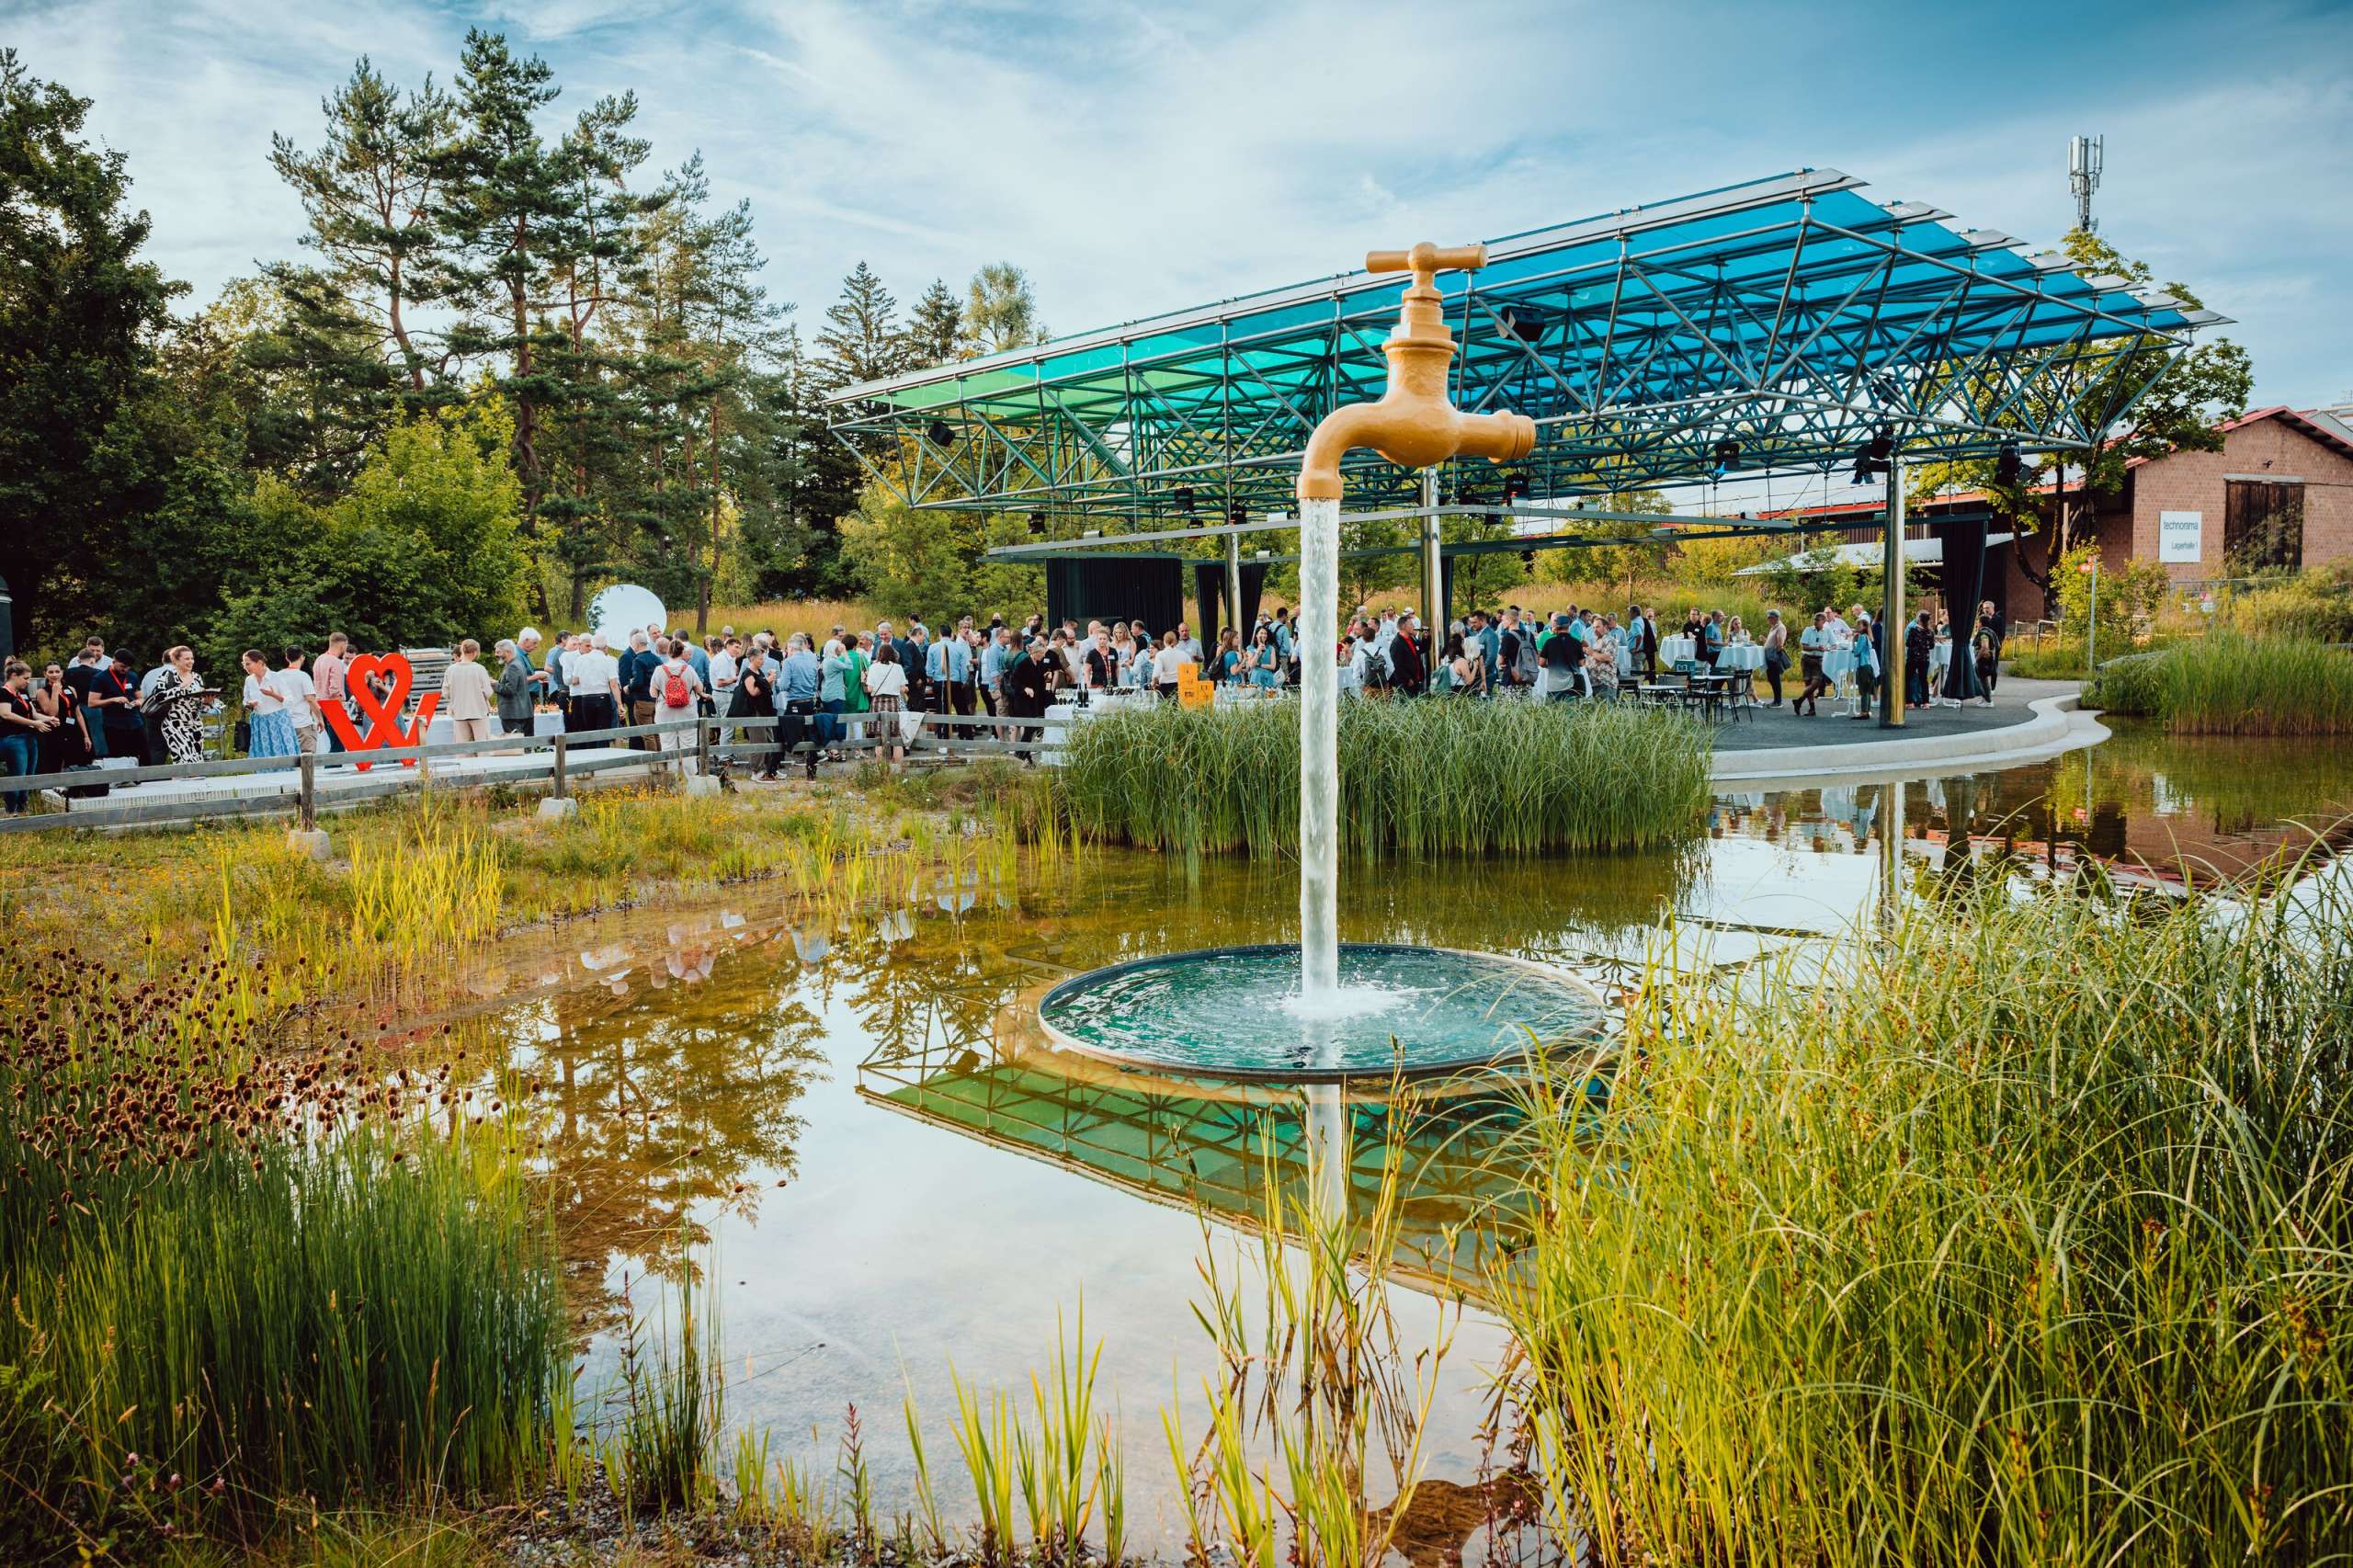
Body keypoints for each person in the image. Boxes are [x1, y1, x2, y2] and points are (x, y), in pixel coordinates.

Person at [2, 660, 58, 812]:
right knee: (18, 776)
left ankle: (23, 809)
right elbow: (6, 714)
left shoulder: (23, 693)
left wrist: (48, 719)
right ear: (14, 676)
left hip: (29, 738)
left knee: (29, 776)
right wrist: (33, 723)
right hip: (13, 739)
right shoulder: (3, 693)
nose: (27, 682)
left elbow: (33, 713)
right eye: (25, 678)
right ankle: (11, 811)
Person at [652, 637, 707, 772]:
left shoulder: (659, 670)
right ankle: (691, 779)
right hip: (687, 712)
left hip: (665, 713)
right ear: (682, 652)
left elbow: (653, 693)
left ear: (668, 652)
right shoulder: (689, 669)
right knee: (688, 746)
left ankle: (671, 780)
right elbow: (699, 689)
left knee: (668, 746)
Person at [149, 645, 211, 765]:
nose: (191, 661)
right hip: (174, 723)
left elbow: (200, 707)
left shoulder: (197, 677)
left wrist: (207, 702)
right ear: (176, 660)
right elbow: (159, 697)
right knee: (187, 758)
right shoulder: (167, 675)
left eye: (192, 658)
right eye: (187, 659)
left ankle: (183, 781)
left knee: (196, 758)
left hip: (195, 723)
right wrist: (182, 686)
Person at [33, 662, 93, 778]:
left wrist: (86, 735)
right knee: (55, 762)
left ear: (62, 673)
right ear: (45, 674)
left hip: (74, 728)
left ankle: (77, 788)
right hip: (57, 730)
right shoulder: (42, 692)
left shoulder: (71, 689)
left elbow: (78, 713)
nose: (54, 675)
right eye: (51, 672)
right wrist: (55, 693)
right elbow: (52, 713)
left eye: (57, 671)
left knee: (77, 761)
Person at [238, 650, 298, 758]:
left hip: (278, 720)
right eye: (244, 664)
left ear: (260, 662)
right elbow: (245, 700)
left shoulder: (276, 677)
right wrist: (250, 704)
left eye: (248, 664)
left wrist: (273, 694)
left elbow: (289, 700)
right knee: (262, 753)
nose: (245, 667)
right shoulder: (249, 680)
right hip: (259, 722)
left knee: (281, 751)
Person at [441, 639, 498, 744]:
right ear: (475, 652)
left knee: (463, 750)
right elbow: (488, 692)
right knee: (483, 748)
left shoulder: (450, 670)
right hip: (478, 713)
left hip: (459, 714)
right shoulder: (480, 669)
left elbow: (445, 693)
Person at [567, 634, 623, 737]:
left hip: (586, 698)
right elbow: (614, 684)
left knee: (589, 733)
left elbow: (574, 680)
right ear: (605, 647)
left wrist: (587, 678)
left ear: (592, 645)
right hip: (603, 697)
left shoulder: (581, 660)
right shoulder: (608, 660)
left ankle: (591, 751)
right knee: (603, 733)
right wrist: (619, 704)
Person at [865, 640, 909, 766]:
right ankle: (897, 769)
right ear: (893, 654)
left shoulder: (873, 667)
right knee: (896, 738)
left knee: (879, 738)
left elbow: (870, 689)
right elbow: (902, 688)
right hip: (894, 702)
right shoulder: (898, 668)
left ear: (879, 654)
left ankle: (882, 768)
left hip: (878, 703)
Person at [273, 648, 321, 754]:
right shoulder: (303, 676)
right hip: (302, 724)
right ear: (302, 657)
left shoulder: (278, 676)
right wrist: (319, 719)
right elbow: (310, 699)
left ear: (286, 658)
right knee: (307, 758)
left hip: (283, 724)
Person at [620, 631, 660, 750]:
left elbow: (638, 681)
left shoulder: (638, 660)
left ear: (636, 645)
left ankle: (653, 761)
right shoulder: (657, 659)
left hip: (643, 699)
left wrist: (628, 688)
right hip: (656, 699)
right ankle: (662, 759)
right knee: (656, 732)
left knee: (647, 734)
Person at [314, 632, 351, 753]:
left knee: (332, 742)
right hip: (333, 705)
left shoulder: (319, 659)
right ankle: (333, 770)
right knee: (338, 745)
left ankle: (331, 769)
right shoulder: (335, 662)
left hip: (321, 705)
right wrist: (341, 708)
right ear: (342, 644)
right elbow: (335, 690)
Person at [496, 639, 537, 738]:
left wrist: (494, 684)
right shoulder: (517, 663)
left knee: (516, 747)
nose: (496, 655)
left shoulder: (513, 666)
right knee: (525, 746)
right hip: (520, 712)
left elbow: (510, 690)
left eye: (498, 652)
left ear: (508, 651)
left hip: (513, 714)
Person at [1795, 612, 1831, 718]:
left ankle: (1799, 701)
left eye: (1818, 620)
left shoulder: (1827, 632)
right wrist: (1816, 648)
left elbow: (1834, 644)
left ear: (1823, 621)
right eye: (1814, 619)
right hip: (1807, 659)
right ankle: (1812, 709)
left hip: (1819, 659)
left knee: (1816, 683)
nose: (1815, 621)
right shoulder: (1808, 630)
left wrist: (1828, 648)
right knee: (1808, 683)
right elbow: (1804, 647)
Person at [1849, 612, 1881, 722]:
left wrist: (1853, 641)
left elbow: (1857, 652)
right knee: (1867, 690)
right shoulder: (1868, 638)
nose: (1857, 627)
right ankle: (1866, 710)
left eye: (1859, 625)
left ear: (1863, 627)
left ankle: (1863, 711)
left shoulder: (1862, 638)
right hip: (1869, 665)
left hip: (1863, 666)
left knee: (1863, 690)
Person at [1904, 611, 1934, 709]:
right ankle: (1926, 702)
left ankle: (1910, 702)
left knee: (1908, 679)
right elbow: (1932, 646)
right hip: (1925, 658)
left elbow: (1908, 643)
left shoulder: (1913, 630)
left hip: (1913, 657)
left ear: (1919, 620)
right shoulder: (1930, 632)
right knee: (1923, 680)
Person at [1760, 609, 1789, 708]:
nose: (1769, 620)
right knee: (1771, 678)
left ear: (1776, 617)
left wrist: (1775, 653)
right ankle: (1776, 700)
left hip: (1774, 656)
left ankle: (1778, 701)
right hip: (1769, 655)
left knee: (1775, 678)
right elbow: (1771, 642)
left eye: (1770, 618)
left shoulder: (1780, 627)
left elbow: (1780, 644)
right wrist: (1765, 640)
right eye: (1768, 618)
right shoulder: (1773, 628)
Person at [1972, 614, 2001, 704]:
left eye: (1978, 622)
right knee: (1983, 680)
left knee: (1982, 680)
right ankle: (1985, 699)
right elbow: (1998, 646)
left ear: (1980, 623)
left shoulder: (1983, 633)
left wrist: (1977, 658)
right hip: (1989, 659)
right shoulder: (1991, 631)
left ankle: (1988, 701)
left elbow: (1984, 647)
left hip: (1983, 660)